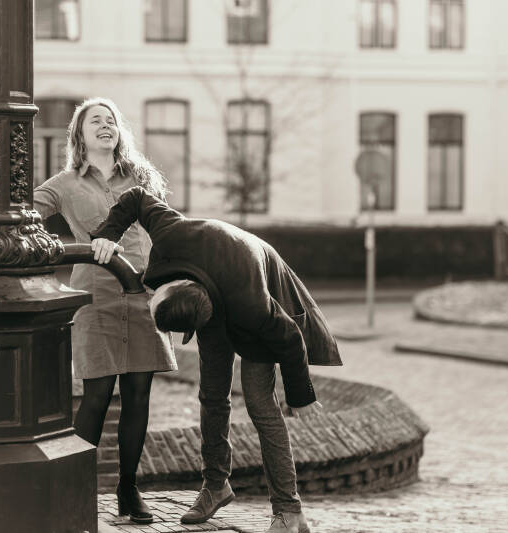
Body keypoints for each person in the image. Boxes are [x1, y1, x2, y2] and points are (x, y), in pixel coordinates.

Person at [89, 186, 342, 533]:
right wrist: (107, 234)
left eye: (152, 299)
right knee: (211, 395)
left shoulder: (252, 305)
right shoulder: (171, 233)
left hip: (258, 284)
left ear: (179, 290)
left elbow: (290, 338)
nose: (148, 298)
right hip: (214, 284)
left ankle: (289, 511)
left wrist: (301, 396)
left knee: (260, 405)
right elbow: (137, 196)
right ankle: (215, 486)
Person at [33, 98, 176, 525]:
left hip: (143, 293)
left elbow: (164, 226)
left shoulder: (142, 177)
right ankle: (73, 492)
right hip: (95, 296)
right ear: (79, 135)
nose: (105, 125)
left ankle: (128, 489)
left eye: (111, 120)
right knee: (97, 394)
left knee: (138, 394)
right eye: (95, 120)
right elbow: (21, 220)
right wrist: (66, 248)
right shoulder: (63, 184)